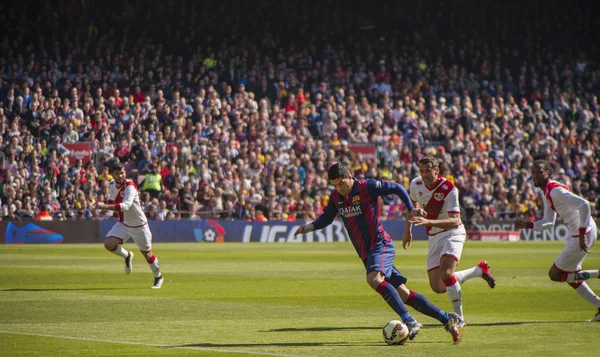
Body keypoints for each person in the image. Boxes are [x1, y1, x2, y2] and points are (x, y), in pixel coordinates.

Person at [294, 163, 461, 343]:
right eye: (334, 185)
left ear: (350, 177)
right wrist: (309, 227)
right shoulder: (336, 197)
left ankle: (409, 321)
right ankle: (447, 318)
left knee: (374, 279)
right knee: (403, 294)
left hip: (380, 244)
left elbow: (396, 187)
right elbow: (326, 218)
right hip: (366, 253)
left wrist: (410, 208)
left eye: (341, 183)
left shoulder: (367, 187)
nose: (339, 188)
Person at [404, 155, 496, 327]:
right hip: (434, 236)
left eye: (427, 171)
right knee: (438, 286)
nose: (424, 175)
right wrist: (408, 231)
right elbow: (412, 207)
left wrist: (429, 221)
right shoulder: (415, 184)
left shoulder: (449, 188)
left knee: (447, 273)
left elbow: (455, 220)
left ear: (436, 171)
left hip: (453, 232)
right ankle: (478, 270)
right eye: (421, 171)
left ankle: (459, 318)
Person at [514, 160, 600, 321]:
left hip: (583, 232)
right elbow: (548, 222)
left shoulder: (554, 191)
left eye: (539, 171)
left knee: (555, 274)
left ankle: (597, 276)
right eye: (533, 172)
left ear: (547, 173)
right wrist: (528, 224)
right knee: (570, 276)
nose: (535, 175)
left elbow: (585, 205)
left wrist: (582, 235)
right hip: (581, 232)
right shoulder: (546, 191)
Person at [94, 160, 164, 289]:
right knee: (108, 244)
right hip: (124, 224)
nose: (120, 175)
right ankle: (127, 255)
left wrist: (104, 206)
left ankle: (158, 277)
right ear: (113, 175)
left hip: (139, 226)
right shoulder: (112, 184)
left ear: (125, 172)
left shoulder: (130, 187)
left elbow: (126, 206)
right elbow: (111, 200)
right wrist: (104, 210)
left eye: (122, 173)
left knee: (147, 255)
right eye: (117, 173)